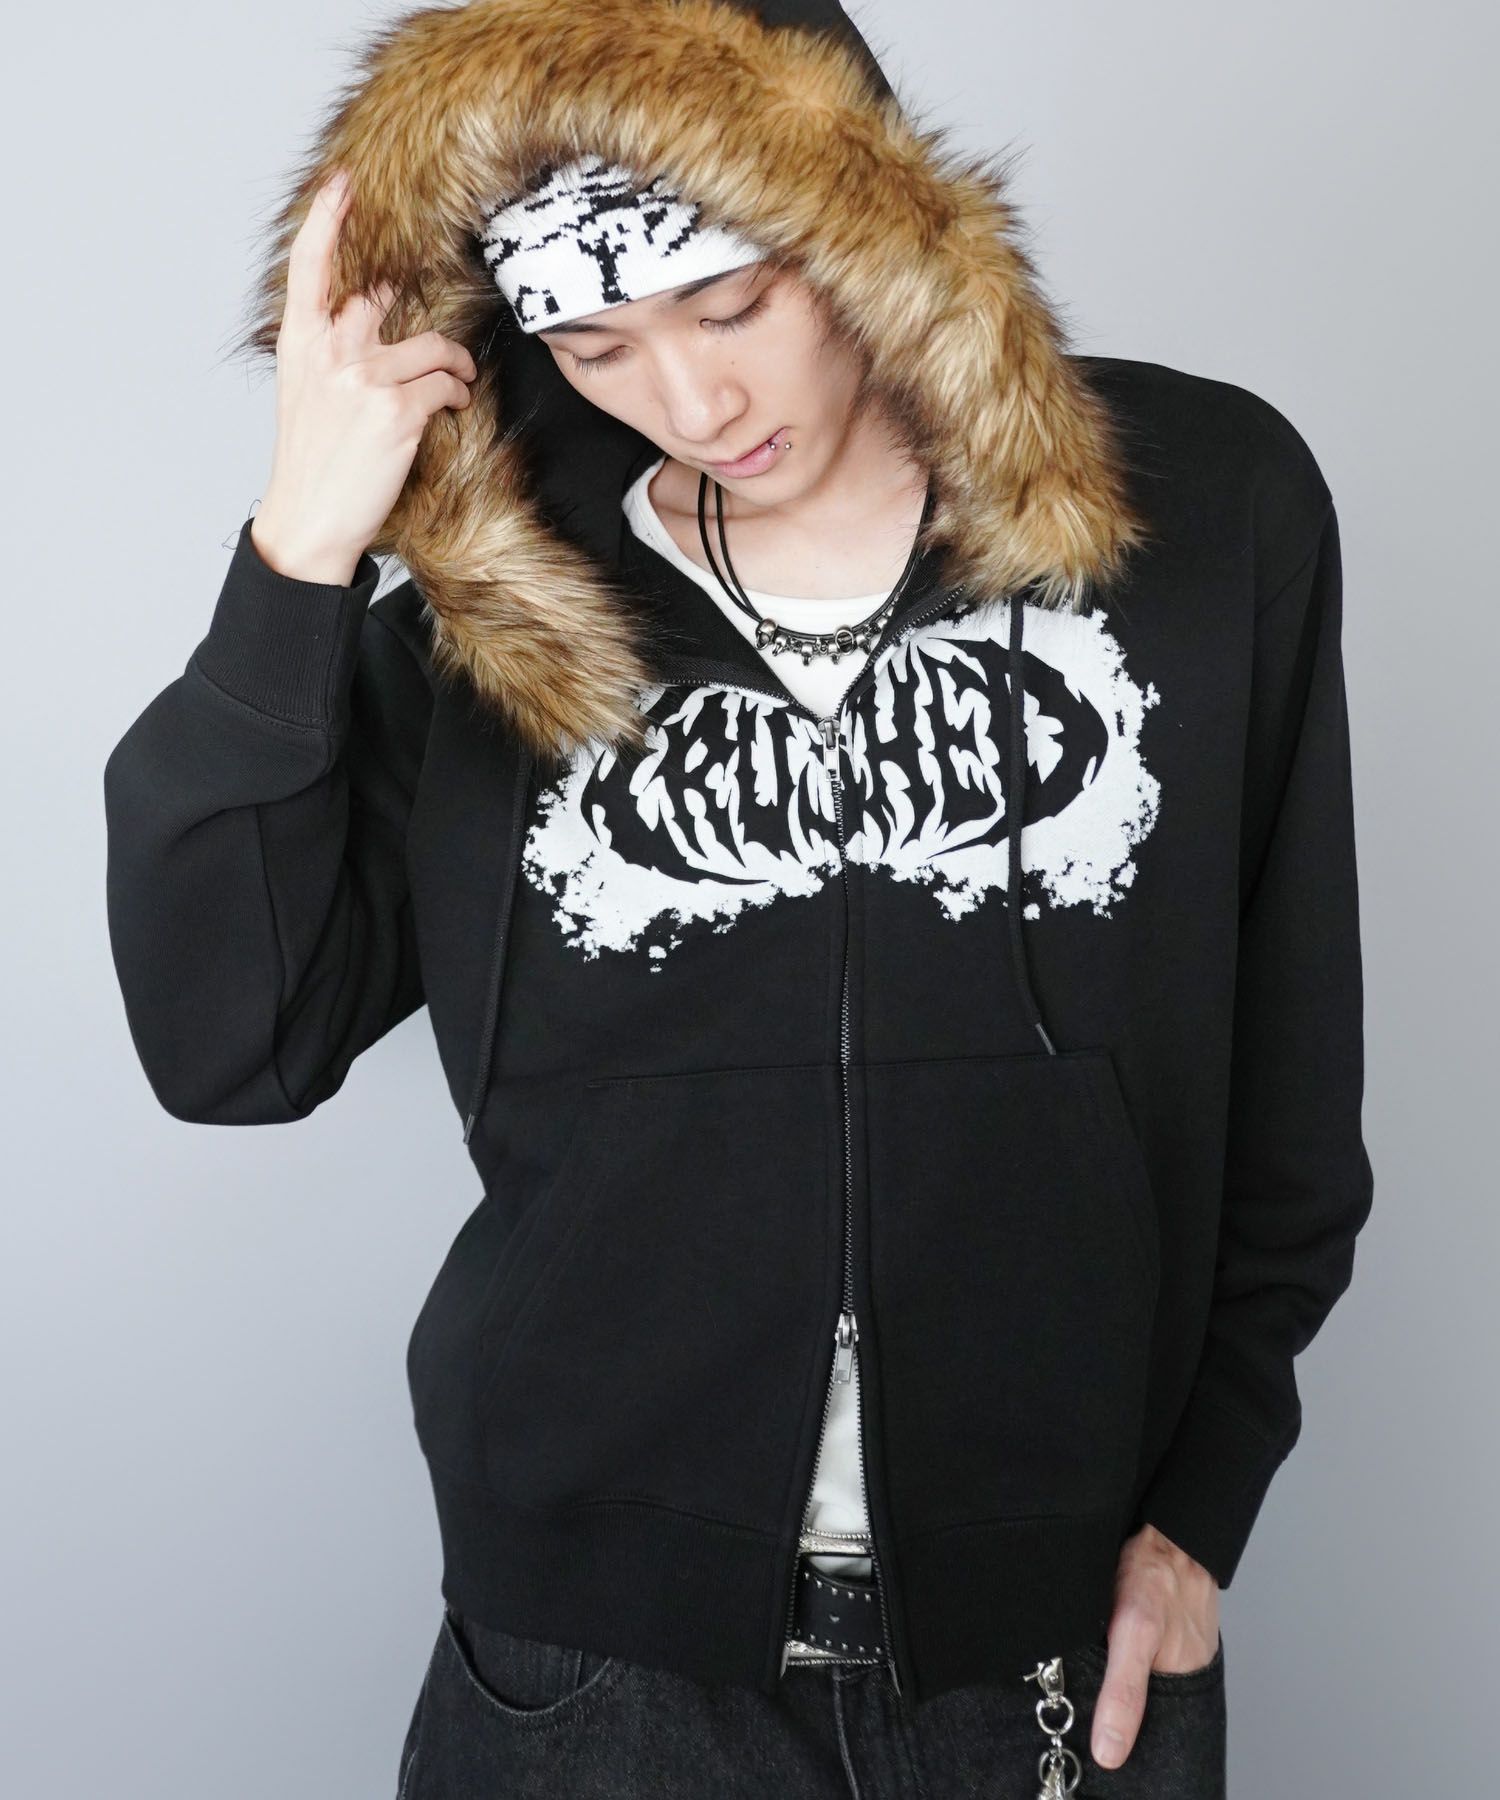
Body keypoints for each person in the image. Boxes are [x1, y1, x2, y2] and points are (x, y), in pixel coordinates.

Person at [102, 1, 1375, 1794]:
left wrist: (1199, 1517)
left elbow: (1293, 1091)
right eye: (594, 341)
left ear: (869, 216)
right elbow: (230, 1042)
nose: (695, 405)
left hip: (1048, 1656)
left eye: (733, 304)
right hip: (591, 1675)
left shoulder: (1208, 516)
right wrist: (301, 551)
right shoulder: (500, 617)